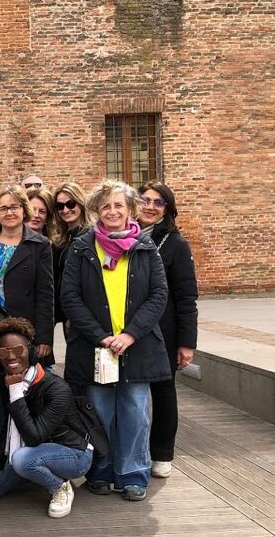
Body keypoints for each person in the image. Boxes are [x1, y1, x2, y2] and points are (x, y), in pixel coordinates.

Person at [61, 180, 170, 501]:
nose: (112, 211)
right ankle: (101, 470)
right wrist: (102, 337)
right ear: (96, 210)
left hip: (137, 347)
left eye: (119, 205)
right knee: (100, 412)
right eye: (106, 205)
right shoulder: (81, 248)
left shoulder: (145, 248)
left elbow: (158, 294)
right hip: (97, 348)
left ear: (130, 210)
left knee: (135, 412)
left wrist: (129, 334)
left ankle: (133, 473)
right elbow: (70, 297)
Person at [0, 317, 94, 518]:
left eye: (18, 350)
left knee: (21, 459)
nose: (11, 357)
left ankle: (60, 486)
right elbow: (9, 428)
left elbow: (34, 437)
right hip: (33, 454)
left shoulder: (56, 388)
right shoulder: (10, 382)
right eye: (3, 352)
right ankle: (36, 472)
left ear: (32, 351)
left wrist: (16, 394)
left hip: (73, 454)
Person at [137, 181, 198, 479]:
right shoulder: (123, 236)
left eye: (158, 202)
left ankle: (161, 453)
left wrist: (186, 343)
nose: (149, 206)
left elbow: (186, 297)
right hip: (128, 330)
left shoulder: (175, 244)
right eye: (144, 199)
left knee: (162, 392)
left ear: (167, 209)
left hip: (164, 331)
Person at [0, 186, 55, 368]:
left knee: (26, 382)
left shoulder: (40, 245)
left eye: (14, 207)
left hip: (24, 324)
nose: (9, 212)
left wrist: (44, 337)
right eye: (3, 208)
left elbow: (45, 293)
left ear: (24, 210)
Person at [51, 183, 91, 336]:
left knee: (102, 358)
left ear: (80, 203)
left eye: (70, 204)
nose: (66, 210)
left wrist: (76, 316)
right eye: (60, 206)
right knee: (78, 359)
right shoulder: (62, 240)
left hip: (90, 317)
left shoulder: (93, 236)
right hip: (70, 317)